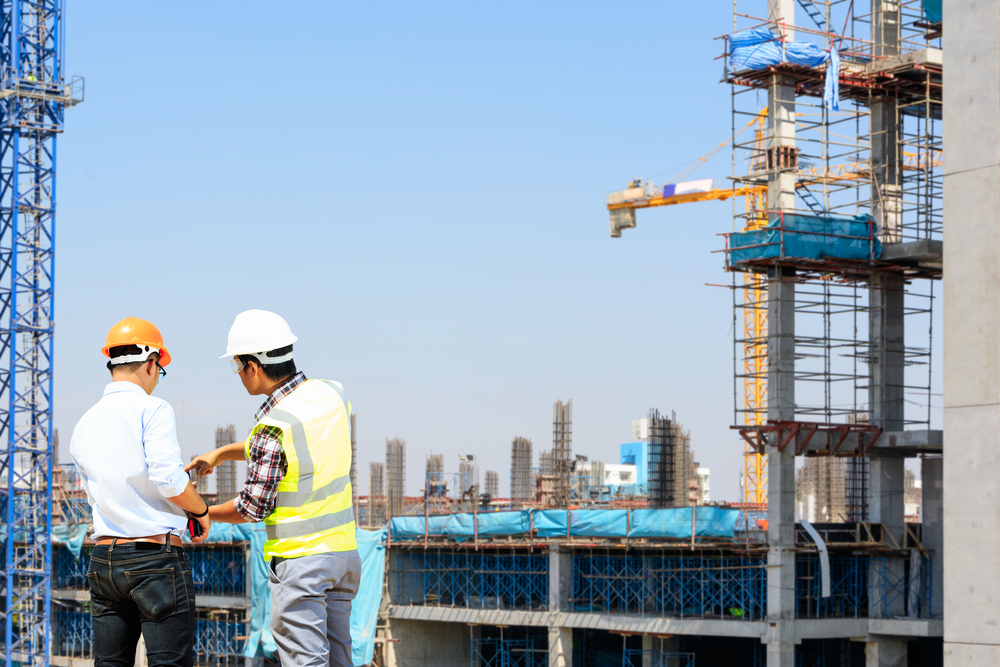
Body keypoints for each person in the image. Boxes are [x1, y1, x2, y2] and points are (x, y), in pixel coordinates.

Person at [187, 309, 360, 667]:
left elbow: (252, 506)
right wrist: (222, 452)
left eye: (236, 367)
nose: (238, 375)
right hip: (344, 557)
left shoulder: (273, 426)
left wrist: (201, 511)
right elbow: (297, 443)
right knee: (340, 660)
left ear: (253, 366)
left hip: (302, 564)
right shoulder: (333, 394)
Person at [70, 317, 210, 667]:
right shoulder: (153, 409)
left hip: (104, 561)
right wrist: (200, 510)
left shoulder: (85, 422)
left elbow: (96, 494)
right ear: (152, 363)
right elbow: (167, 478)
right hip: (155, 561)